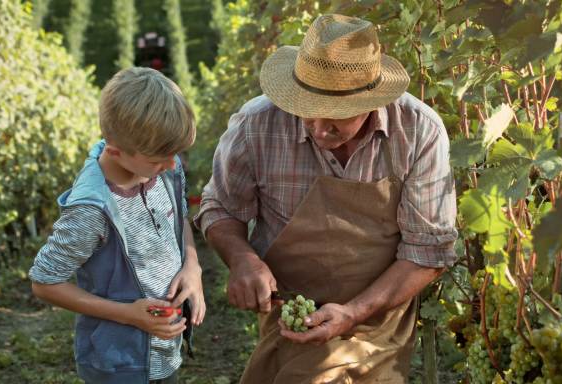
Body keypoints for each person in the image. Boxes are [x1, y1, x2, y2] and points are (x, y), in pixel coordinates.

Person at [194, 13, 458, 384]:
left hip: (379, 313)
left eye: (337, 116)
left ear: (370, 100)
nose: (318, 129)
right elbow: (220, 207)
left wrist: (354, 311)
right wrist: (242, 259)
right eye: (307, 112)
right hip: (290, 311)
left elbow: (428, 252)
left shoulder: (418, 132)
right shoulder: (256, 125)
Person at [29, 67, 205, 384]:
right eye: (157, 160)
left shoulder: (163, 165)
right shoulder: (91, 209)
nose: (171, 164)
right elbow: (44, 282)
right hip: (119, 363)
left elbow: (177, 215)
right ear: (115, 152)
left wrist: (192, 266)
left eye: (175, 154)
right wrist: (129, 315)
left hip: (165, 350)